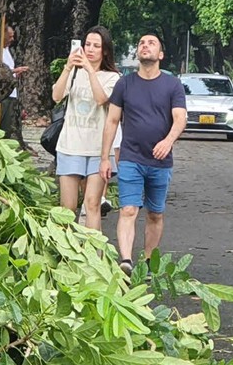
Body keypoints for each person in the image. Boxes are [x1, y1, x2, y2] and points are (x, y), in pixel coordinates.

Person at [101, 32, 187, 272]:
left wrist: (168, 141)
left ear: (160, 54)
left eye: (151, 43)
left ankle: (148, 261)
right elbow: (112, 121)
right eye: (141, 43)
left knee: (155, 214)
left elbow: (180, 118)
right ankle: (126, 261)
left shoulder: (172, 85)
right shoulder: (125, 83)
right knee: (128, 209)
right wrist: (105, 158)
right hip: (131, 158)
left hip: (160, 162)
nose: (144, 46)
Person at [53, 27, 118, 231]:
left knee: (92, 204)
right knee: (68, 207)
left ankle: (94, 256)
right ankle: (68, 256)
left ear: (105, 51)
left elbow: (101, 99)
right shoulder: (73, 73)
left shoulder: (112, 77)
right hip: (70, 145)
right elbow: (56, 96)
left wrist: (90, 71)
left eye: (96, 46)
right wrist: (67, 68)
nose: (90, 49)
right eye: (87, 44)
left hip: (97, 150)